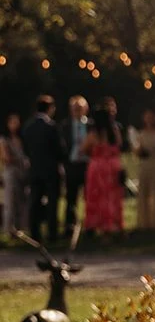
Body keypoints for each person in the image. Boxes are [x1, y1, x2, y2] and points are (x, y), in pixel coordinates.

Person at [22, 94, 65, 245]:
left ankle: (35, 233)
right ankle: (52, 233)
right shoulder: (51, 127)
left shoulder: (28, 126)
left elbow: (26, 148)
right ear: (50, 108)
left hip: (34, 169)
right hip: (51, 170)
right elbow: (59, 150)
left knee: (35, 201)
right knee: (52, 202)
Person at [83, 106, 125, 235]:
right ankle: (112, 223)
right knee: (112, 196)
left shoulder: (94, 134)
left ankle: (95, 223)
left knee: (96, 195)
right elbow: (119, 145)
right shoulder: (114, 131)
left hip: (97, 167)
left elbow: (84, 148)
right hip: (112, 166)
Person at [60, 95, 90, 235]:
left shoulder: (90, 126)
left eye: (80, 108)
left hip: (87, 165)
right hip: (71, 165)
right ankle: (69, 226)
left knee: (89, 196)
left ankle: (89, 224)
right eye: (74, 109)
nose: (77, 111)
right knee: (71, 197)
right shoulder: (65, 126)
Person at [1, 112, 29, 236]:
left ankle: (22, 228)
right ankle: (8, 229)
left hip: (22, 172)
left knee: (22, 201)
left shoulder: (22, 139)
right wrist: (21, 160)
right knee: (10, 202)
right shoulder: (4, 140)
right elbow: (6, 158)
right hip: (11, 172)